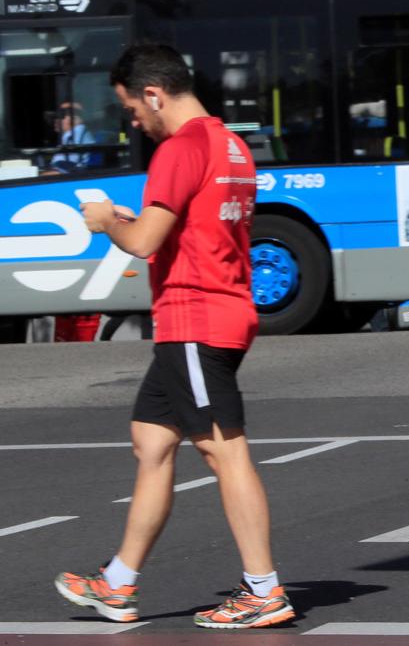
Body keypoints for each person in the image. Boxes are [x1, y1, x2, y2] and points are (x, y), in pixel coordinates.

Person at [58, 43, 294, 629]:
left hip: (196, 318)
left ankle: (265, 589)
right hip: (213, 313)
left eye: (132, 109)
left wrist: (105, 218)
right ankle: (117, 583)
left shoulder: (180, 148)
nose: (134, 122)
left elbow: (142, 242)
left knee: (223, 449)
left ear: (154, 94)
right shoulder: (231, 143)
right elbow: (185, 228)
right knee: (151, 442)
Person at [48, 101, 100, 173]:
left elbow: (61, 171)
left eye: (60, 116)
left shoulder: (75, 133)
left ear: (72, 118)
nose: (55, 121)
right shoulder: (77, 133)